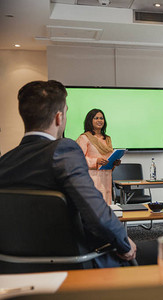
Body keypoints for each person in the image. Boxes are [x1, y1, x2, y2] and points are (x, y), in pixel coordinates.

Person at [0, 80, 148, 268]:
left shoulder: (5, 162)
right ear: (59, 118)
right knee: (155, 251)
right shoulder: (63, 150)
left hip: (14, 265)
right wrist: (124, 243)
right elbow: (96, 213)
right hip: (73, 262)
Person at [76, 109, 120, 205]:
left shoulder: (107, 139)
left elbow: (108, 159)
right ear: (90, 120)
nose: (99, 120)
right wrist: (96, 161)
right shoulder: (84, 138)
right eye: (96, 118)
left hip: (107, 179)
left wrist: (114, 162)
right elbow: (77, 160)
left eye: (101, 118)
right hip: (92, 179)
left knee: (106, 208)